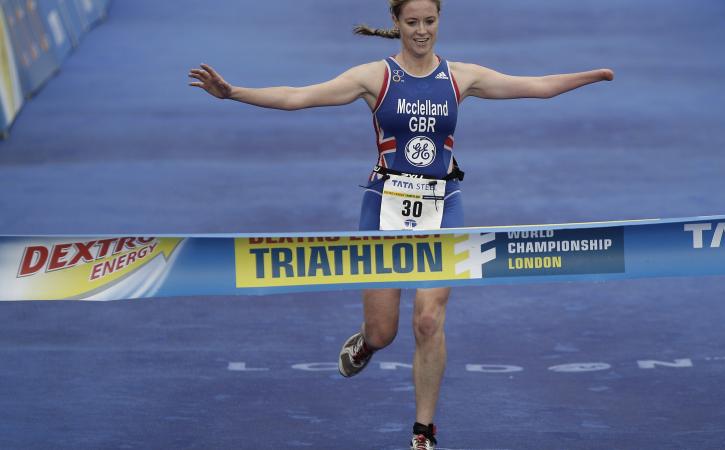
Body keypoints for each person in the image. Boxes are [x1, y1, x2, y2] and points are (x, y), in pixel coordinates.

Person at [189, 1, 613, 448]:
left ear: (439, 21)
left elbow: (536, 86)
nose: (422, 31)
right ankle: (367, 344)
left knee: (429, 320)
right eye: (412, 23)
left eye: (430, 22)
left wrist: (591, 76)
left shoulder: (459, 77)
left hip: (443, 206)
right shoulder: (375, 77)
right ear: (396, 23)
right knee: (384, 331)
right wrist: (233, 92)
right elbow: (299, 96)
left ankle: (423, 431)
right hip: (383, 209)